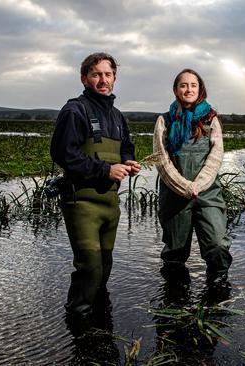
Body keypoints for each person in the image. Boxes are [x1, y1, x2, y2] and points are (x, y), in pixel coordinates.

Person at [50, 52, 141, 318]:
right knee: (89, 266)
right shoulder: (74, 110)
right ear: (85, 78)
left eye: (108, 74)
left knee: (105, 266)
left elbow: (126, 148)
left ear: (114, 78)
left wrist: (129, 163)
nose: (103, 80)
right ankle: (77, 322)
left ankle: (100, 322)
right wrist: (105, 169)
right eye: (96, 74)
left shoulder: (117, 115)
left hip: (110, 205)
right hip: (82, 202)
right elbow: (63, 153)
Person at [153, 68, 232, 284]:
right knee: (175, 253)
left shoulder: (211, 119)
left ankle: (218, 293)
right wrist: (185, 186)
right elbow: (162, 160)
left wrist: (199, 184)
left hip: (207, 193)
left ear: (200, 89)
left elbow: (216, 157)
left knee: (217, 244)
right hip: (175, 195)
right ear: (176, 90)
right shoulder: (164, 121)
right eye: (184, 85)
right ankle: (176, 298)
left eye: (193, 85)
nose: (188, 89)